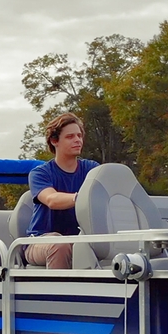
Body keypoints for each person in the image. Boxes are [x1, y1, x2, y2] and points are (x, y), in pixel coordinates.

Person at [24, 112, 98, 269]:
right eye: (70, 136)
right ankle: (58, 293)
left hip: (81, 240)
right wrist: (82, 198)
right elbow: (51, 200)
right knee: (60, 244)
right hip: (39, 241)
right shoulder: (40, 173)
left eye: (79, 135)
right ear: (54, 141)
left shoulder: (92, 169)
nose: (77, 140)